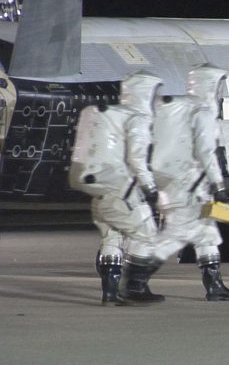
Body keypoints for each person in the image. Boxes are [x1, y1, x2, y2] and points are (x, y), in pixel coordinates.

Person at [151, 65, 229, 301]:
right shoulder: (201, 112)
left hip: (172, 184)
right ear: (209, 85)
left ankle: (214, 286)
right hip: (190, 187)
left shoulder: (173, 109)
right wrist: (219, 186)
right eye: (217, 86)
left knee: (205, 235)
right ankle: (136, 279)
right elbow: (205, 153)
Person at [72, 71, 164, 306]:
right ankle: (135, 287)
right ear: (146, 93)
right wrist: (151, 189)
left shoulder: (111, 117)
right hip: (124, 191)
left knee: (112, 238)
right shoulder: (138, 119)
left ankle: (110, 294)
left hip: (101, 190)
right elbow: (137, 159)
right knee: (147, 236)